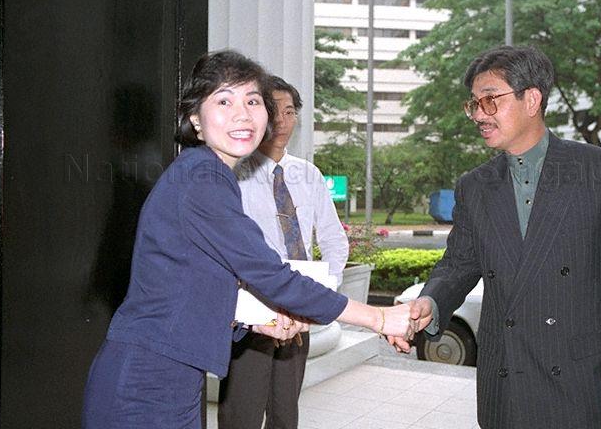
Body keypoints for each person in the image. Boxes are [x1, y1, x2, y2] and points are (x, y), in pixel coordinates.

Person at [82, 50, 412, 429]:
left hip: (169, 375)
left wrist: (257, 321)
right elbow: (270, 274)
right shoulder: (202, 180)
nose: (242, 113)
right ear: (196, 120)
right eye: (224, 100)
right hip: (146, 383)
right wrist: (380, 317)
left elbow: (189, 283)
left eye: (253, 101)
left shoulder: (208, 174)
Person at [390, 45, 601, 429]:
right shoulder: (476, 185)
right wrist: (431, 300)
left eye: (490, 100)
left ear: (532, 99)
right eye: (474, 104)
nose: (479, 114)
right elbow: (459, 263)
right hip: (505, 377)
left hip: (581, 377)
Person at [218, 77, 349, 429]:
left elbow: (336, 241)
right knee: (241, 415)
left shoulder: (308, 174)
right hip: (252, 315)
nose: (282, 121)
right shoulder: (234, 176)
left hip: (298, 308)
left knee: (285, 414)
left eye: (290, 111)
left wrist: (323, 290)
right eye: (273, 110)